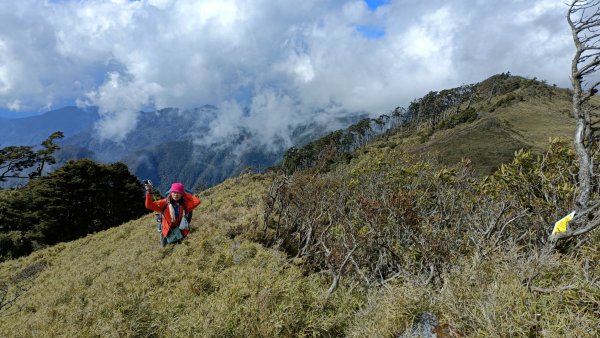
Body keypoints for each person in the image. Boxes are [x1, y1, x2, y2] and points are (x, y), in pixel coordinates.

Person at [144, 182, 201, 247]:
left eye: (178, 193)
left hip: (179, 229)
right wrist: (149, 192)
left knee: (179, 247)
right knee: (165, 248)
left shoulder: (184, 204)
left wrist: (184, 193)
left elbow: (197, 201)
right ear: (171, 193)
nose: (176, 195)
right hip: (166, 229)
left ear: (182, 194)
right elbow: (149, 205)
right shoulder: (164, 203)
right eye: (174, 192)